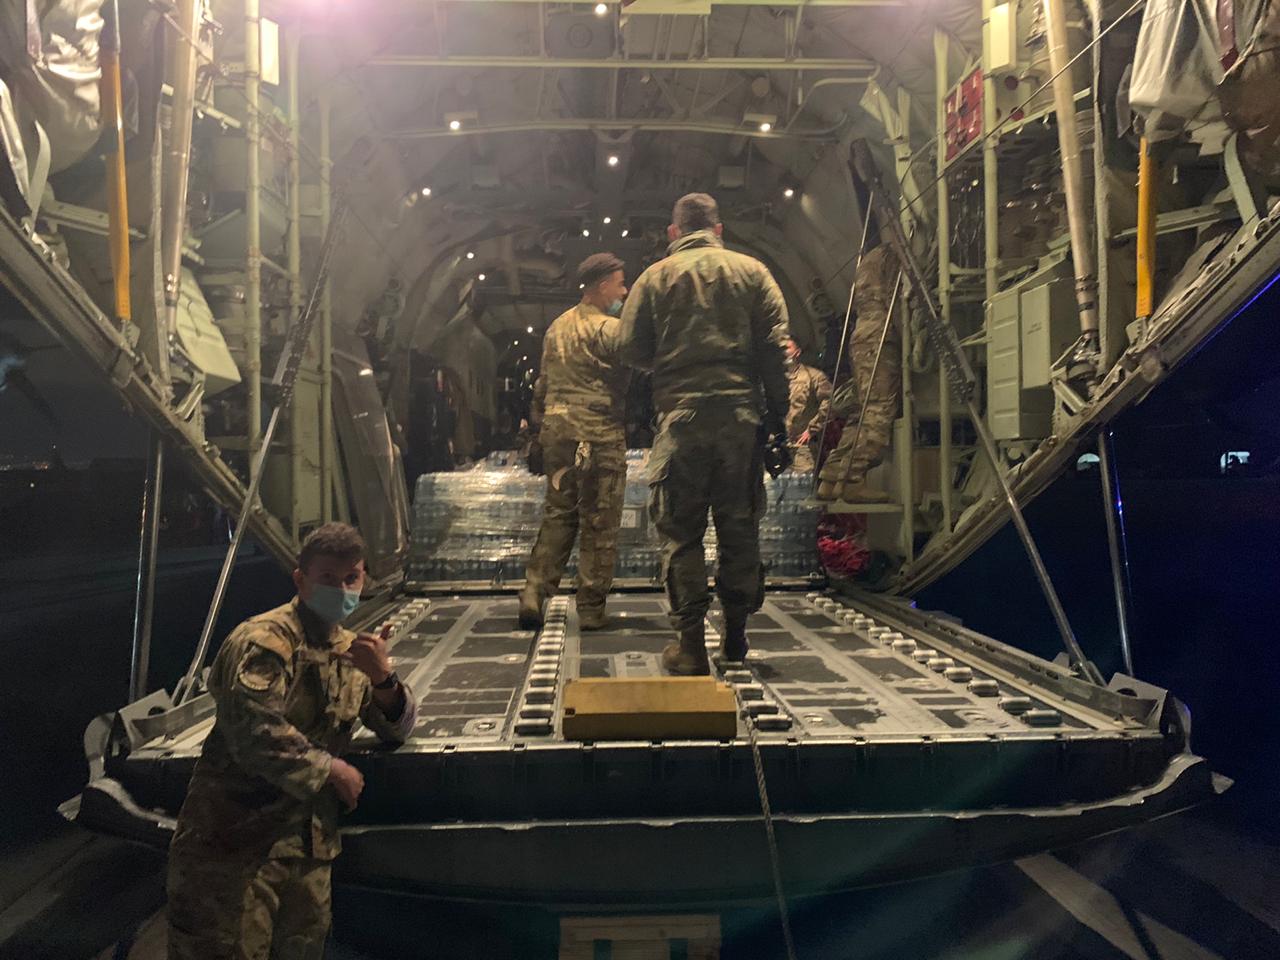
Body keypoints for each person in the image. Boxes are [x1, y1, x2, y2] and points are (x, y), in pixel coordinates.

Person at [166, 523, 416, 960]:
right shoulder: (265, 641)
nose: (342, 590)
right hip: (234, 851)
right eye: (328, 578)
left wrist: (383, 678)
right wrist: (330, 769)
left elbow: (395, 726)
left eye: (351, 578)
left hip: (306, 851)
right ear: (301, 580)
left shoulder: (349, 649)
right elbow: (252, 729)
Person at [619, 193, 792, 675]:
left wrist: (671, 362)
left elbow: (629, 347)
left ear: (674, 233)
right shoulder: (754, 272)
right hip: (741, 423)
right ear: (718, 230)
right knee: (739, 529)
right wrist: (778, 417)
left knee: (681, 534)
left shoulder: (654, 277)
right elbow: (775, 349)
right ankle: (736, 637)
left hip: (681, 421)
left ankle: (691, 646)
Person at [518, 253, 630, 631]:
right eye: (620, 284)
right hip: (598, 436)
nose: (624, 292)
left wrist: (539, 428)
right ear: (603, 286)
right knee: (599, 520)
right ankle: (591, 608)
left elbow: (542, 385)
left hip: (558, 434)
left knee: (559, 513)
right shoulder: (610, 329)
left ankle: (534, 591)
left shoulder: (557, 327)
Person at [816, 225, 902, 503]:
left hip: (863, 334)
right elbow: (897, 300)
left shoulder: (868, 259)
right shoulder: (893, 256)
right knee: (879, 408)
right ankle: (853, 478)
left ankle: (831, 476)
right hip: (881, 336)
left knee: (861, 410)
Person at [784, 337, 833, 472]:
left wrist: (812, 429)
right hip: (775, 447)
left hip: (801, 447)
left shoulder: (814, 377)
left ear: (797, 352)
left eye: (787, 347)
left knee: (802, 483)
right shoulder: (771, 379)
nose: (783, 351)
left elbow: (829, 403)